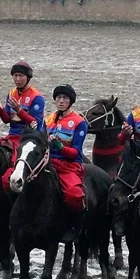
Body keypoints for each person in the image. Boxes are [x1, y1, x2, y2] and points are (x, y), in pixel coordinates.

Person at [46, 84, 88, 242]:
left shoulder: (79, 122)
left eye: (65, 98)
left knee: (74, 196)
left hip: (68, 166)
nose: (61, 101)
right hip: (48, 162)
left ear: (71, 101)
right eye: (58, 98)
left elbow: (76, 152)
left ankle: (75, 227)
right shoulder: (49, 118)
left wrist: (60, 147)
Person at [0, 60, 46, 160]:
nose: (18, 79)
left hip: (28, 138)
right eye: (15, 76)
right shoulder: (11, 93)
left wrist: (19, 111)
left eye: (21, 76)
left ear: (28, 78)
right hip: (12, 136)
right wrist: (0, 109)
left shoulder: (36, 97)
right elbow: (7, 120)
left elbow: (35, 123)